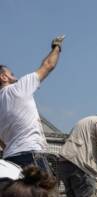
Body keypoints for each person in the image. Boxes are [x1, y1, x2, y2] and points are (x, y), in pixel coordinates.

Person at [0, 35, 64, 171]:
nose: (14, 75)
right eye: (11, 73)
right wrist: (57, 47)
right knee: (45, 192)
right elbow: (48, 65)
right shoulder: (19, 87)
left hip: (9, 161)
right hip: (31, 155)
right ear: (3, 77)